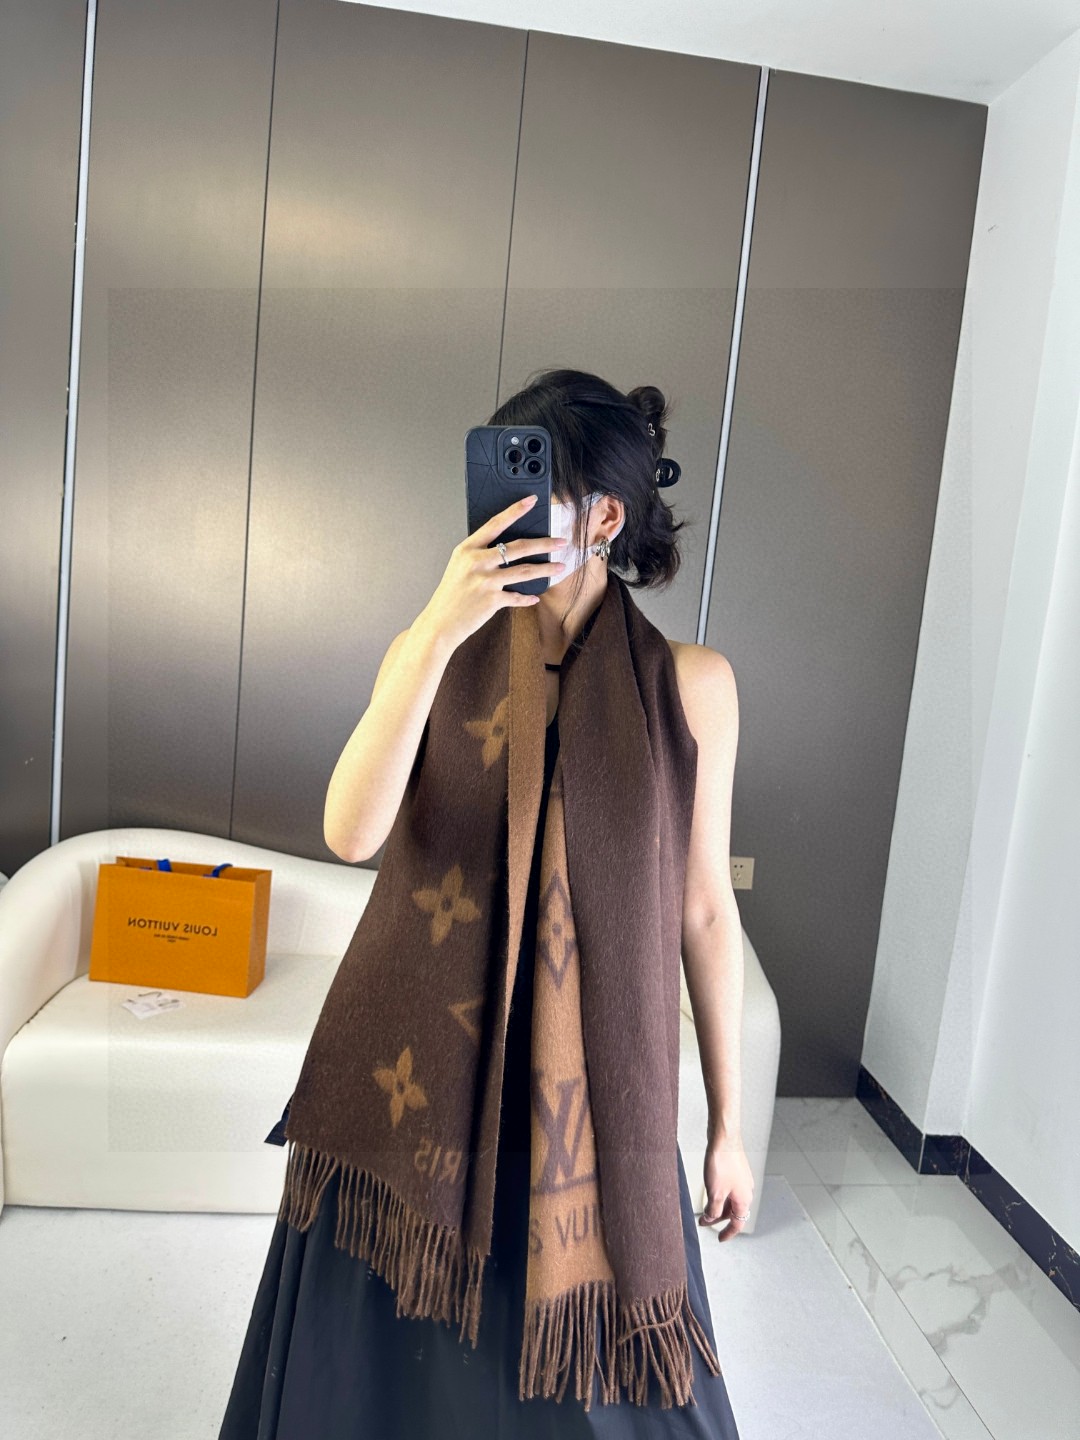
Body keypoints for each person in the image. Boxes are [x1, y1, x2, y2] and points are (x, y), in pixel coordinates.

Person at [218, 368, 749, 1438]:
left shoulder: (692, 685)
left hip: (594, 1096)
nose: (507, 512)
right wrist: (434, 629)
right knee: (379, 1384)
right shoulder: (432, 651)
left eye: (538, 487)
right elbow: (351, 833)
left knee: (605, 1388)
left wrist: (729, 1127)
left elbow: (702, 911)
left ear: (605, 518)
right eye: (498, 483)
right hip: (411, 1080)